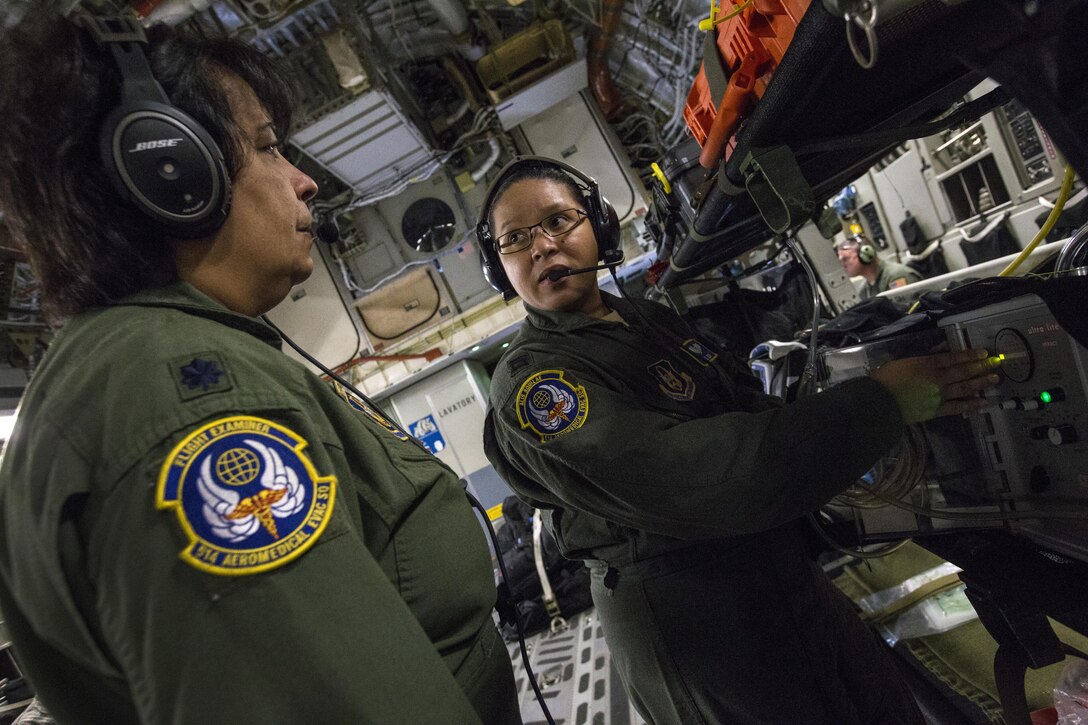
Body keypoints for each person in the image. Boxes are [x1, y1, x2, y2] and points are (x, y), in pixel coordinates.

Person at [0, 11, 519, 724]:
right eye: (269, 147)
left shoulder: (149, 369)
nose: (304, 181)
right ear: (169, 169)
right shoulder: (182, 397)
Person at [478, 157, 1000, 725]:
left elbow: (748, 409)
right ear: (498, 266)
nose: (542, 247)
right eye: (515, 239)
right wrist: (880, 403)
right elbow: (700, 476)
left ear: (599, 227)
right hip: (699, 628)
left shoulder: (645, 320)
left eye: (559, 221)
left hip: (780, 582)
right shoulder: (534, 384)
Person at [837, 233, 923, 300]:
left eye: (846, 259)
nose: (842, 265)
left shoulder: (897, 276)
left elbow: (907, 315)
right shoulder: (865, 290)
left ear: (866, 254)